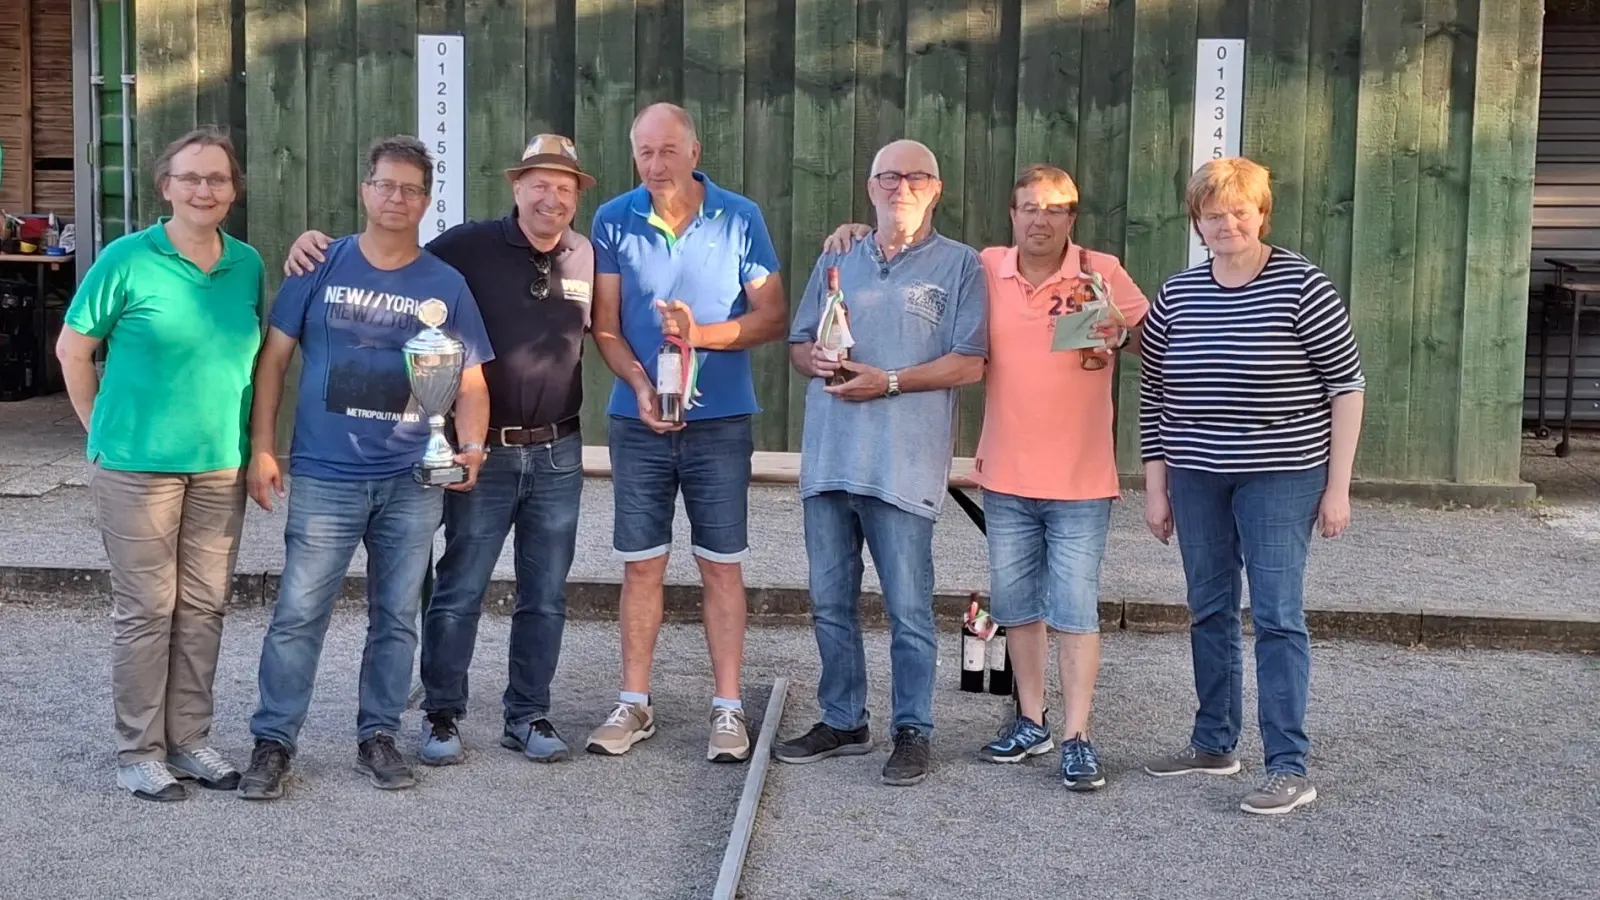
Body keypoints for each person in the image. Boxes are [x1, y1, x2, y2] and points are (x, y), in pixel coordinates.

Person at [814, 163, 1148, 790]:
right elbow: (914, 255)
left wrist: (1122, 334)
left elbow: (1155, 339)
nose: (1040, 219)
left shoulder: (1101, 273)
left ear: (1072, 217)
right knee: (1019, 608)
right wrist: (857, 230)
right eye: (1029, 207)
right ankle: (1031, 719)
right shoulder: (987, 267)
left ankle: (1078, 736)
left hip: (1080, 476)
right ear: (1013, 215)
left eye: (1054, 208)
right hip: (1007, 474)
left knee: (1075, 611)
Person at [281, 135, 597, 767]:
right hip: (479, 453)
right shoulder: (464, 248)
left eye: (565, 187)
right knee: (457, 589)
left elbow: (606, 328)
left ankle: (528, 712)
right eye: (539, 183)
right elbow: (392, 258)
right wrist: (311, 244)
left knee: (546, 594)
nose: (551, 197)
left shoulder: (585, 255)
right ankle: (442, 713)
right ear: (516, 187)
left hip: (559, 449)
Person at [237, 136, 495, 800]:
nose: (397, 198)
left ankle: (377, 735)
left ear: (426, 201)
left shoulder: (445, 285)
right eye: (386, 185)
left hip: (412, 478)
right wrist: (263, 448)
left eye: (411, 189)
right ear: (365, 189)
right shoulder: (318, 263)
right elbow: (273, 361)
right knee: (299, 611)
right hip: (325, 474)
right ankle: (273, 741)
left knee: (397, 617)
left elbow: (468, 380)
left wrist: (470, 446)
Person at [1139, 157, 1365, 816]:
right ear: (1197, 222)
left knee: (1275, 615)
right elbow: (1155, 393)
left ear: (1262, 214)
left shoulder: (1303, 286)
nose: (1228, 222)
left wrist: (1338, 487)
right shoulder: (1177, 295)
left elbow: (1346, 387)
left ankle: (1288, 765)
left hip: (1282, 473)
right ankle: (1213, 743)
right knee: (1208, 607)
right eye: (1215, 213)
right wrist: (1156, 488)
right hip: (1196, 472)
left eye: (1241, 210)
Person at [56, 126, 263, 802]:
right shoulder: (126, 258)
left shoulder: (248, 265)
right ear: (165, 186)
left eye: (218, 179)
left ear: (233, 191)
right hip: (136, 468)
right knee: (148, 609)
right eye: (191, 177)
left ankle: (191, 739)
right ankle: (139, 751)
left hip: (217, 467)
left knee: (204, 607)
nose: (205, 189)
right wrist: (99, 431)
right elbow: (72, 350)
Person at [772, 139, 987, 787]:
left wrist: (887, 381)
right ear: (869, 188)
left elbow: (971, 362)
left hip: (903, 465)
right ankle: (843, 719)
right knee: (830, 603)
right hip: (830, 461)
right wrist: (808, 358)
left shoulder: (961, 267)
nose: (901, 186)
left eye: (916, 176)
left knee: (909, 609)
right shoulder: (840, 254)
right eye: (888, 176)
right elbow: (801, 343)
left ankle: (913, 729)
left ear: (936, 189)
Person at [585, 102, 787, 764]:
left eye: (668, 150)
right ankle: (634, 702)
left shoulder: (740, 217)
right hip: (638, 419)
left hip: (721, 419)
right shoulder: (613, 219)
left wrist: (700, 335)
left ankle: (727, 711)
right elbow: (605, 326)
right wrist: (641, 386)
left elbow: (771, 317)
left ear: (695, 152)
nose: (656, 164)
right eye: (644, 152)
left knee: (720, 566)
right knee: (641, 564)